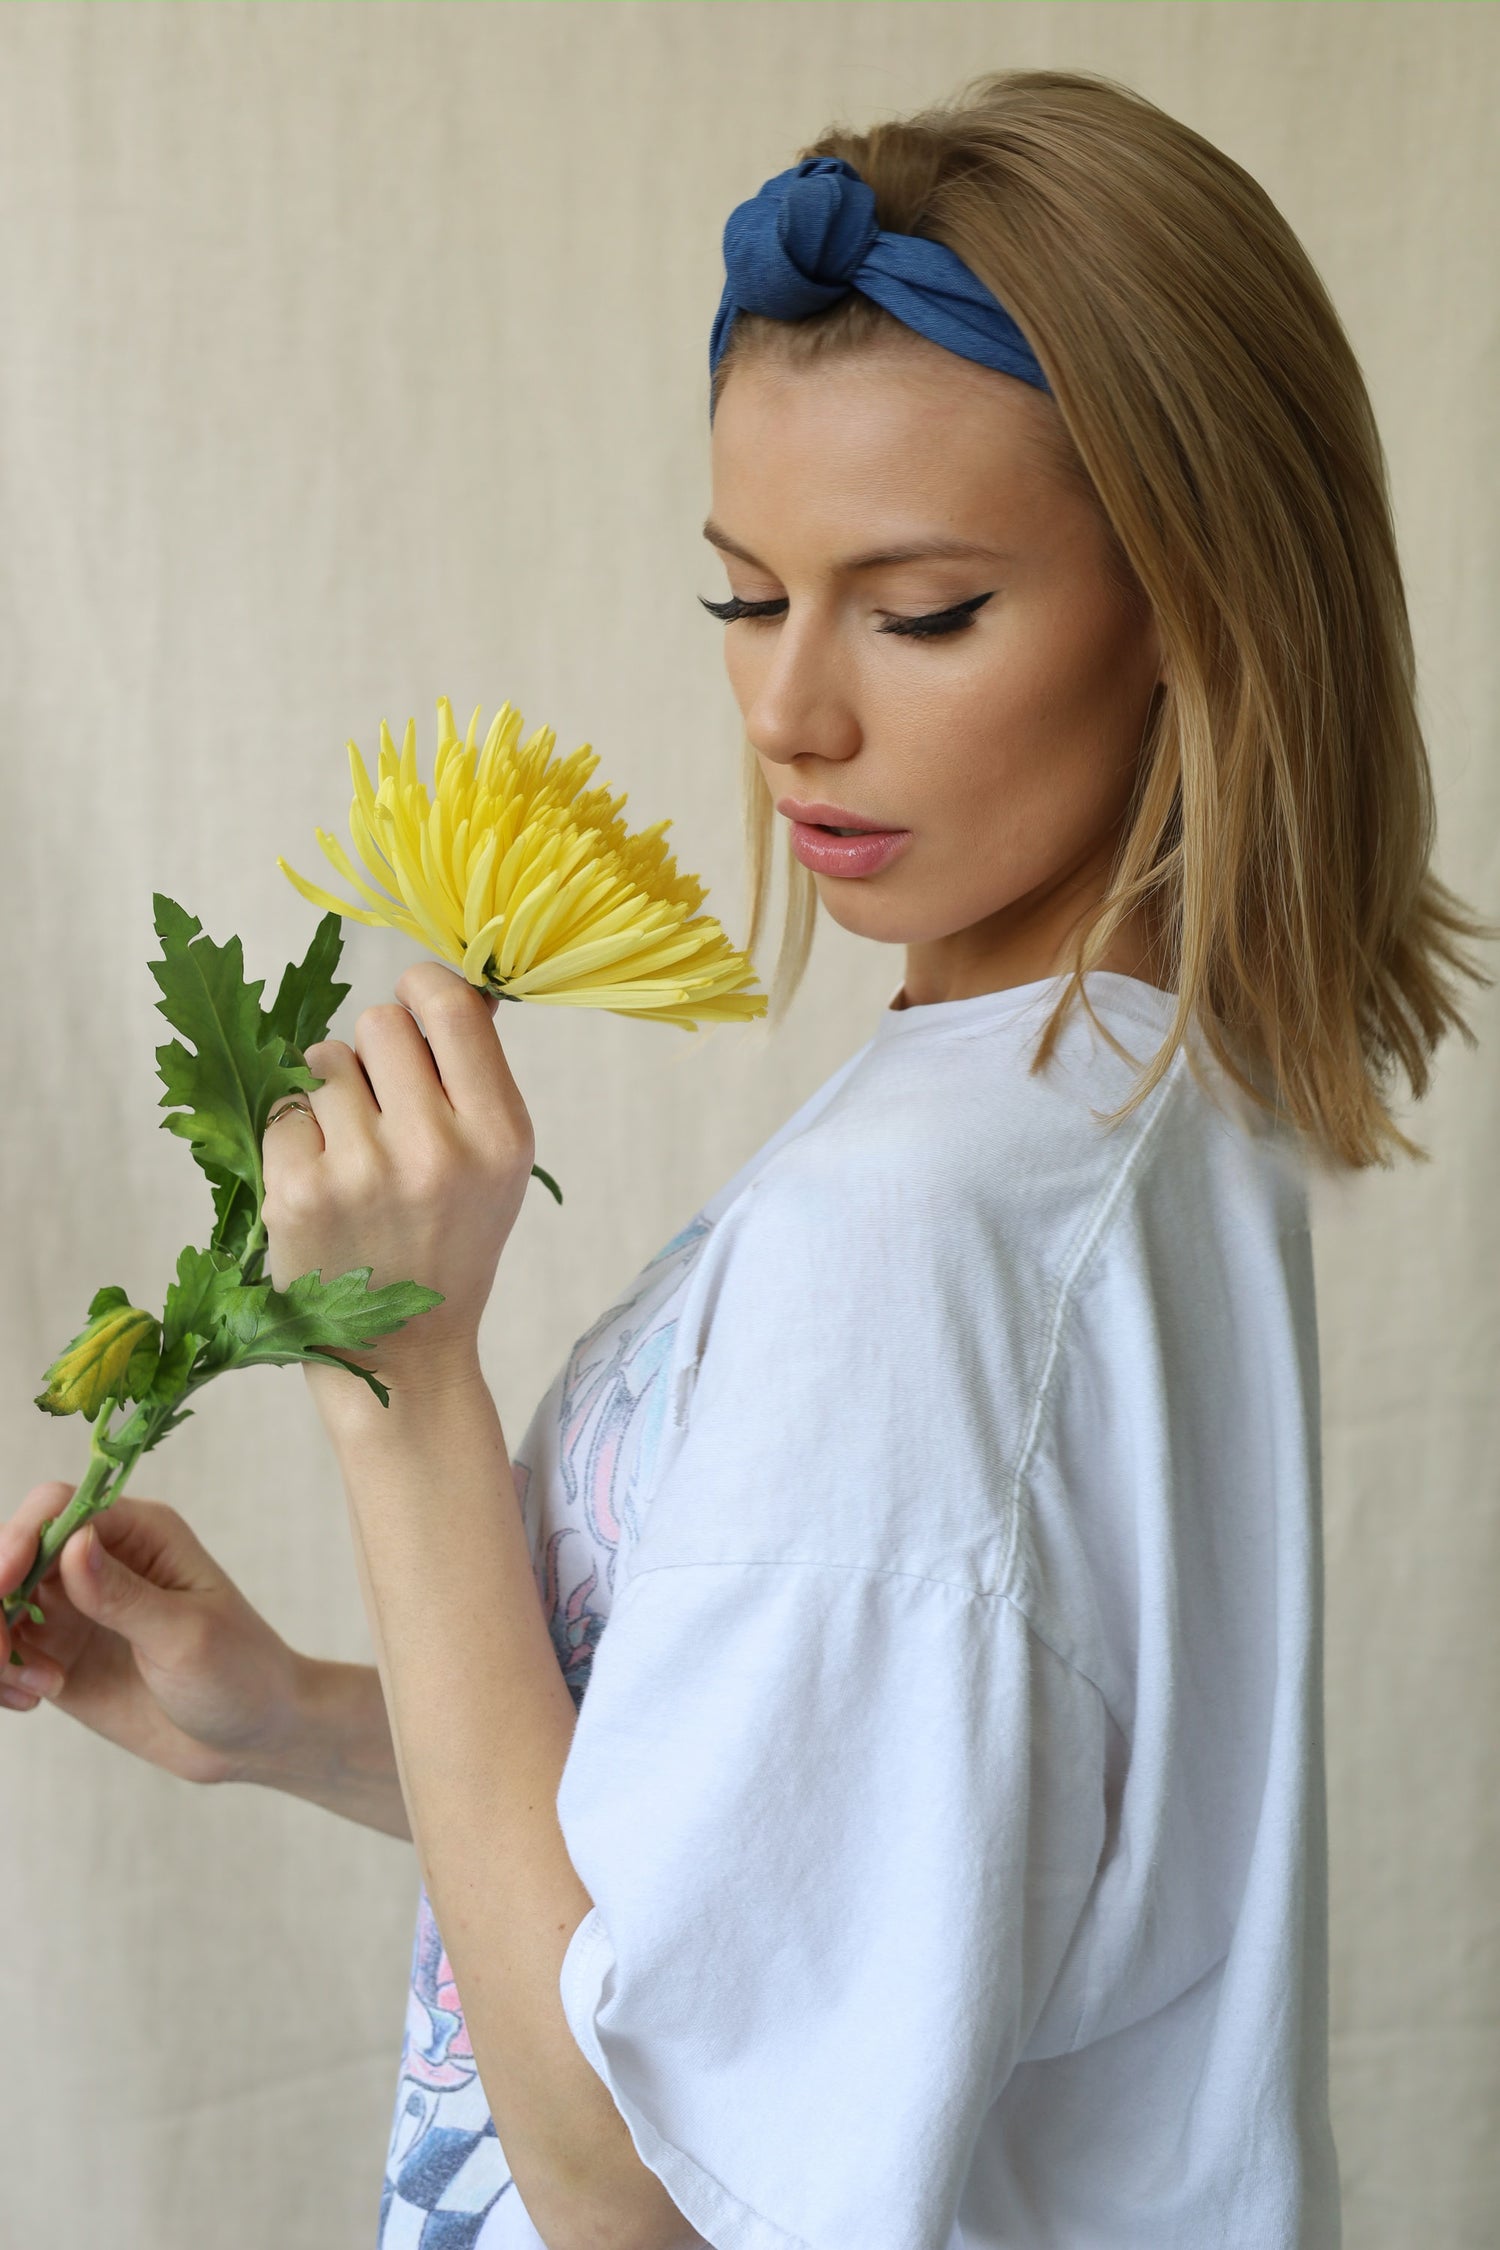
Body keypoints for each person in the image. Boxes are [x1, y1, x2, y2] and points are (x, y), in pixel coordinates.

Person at [2, 65, 1493, 2250]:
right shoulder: (1131, 1109)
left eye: (921, 611)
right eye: (742, 597)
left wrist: (399, 1390)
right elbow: (828, 1886)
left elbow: (632, 2193)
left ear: (1207, 605)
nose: (788, 712)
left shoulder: (927, 1236)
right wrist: (307, 1723)